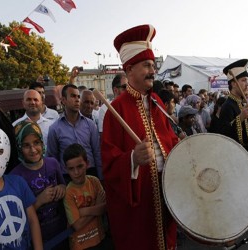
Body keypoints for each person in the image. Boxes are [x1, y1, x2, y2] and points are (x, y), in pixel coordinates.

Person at [102, 24, 179, 250]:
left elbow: (169, 140)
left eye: (153, 65)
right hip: (138, 202)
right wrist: (133, 159)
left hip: (166, 191)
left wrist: (181, 148)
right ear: (129, 71)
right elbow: (109, 164)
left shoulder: (156, 101)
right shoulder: (115, 110)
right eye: (146, 65)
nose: (152, 70)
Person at [11, 121, 68, 248]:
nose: (33, 149)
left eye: (36, 143)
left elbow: (64, 185)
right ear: (18, 147)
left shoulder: (53, 163)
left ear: (42, 142)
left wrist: (61, 188)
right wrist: (38, 201)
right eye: (26, 145)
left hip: (62, 231)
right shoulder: (15, 176)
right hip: (38, 240)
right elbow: (16, 217)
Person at [47, 84, 102, 180]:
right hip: (68, 177)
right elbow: (52, 159)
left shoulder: (90, 125)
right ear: (63, 100)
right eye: (73, 96)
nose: (77, 100)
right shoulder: (54, 129)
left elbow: (97, 153)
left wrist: (101, 178)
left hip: (90, 173)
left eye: (78, 97)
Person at [63, 143, 109, 250]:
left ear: (87, 164)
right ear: (66, 169)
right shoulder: (68, 192)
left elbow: (105, 208)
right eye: (71, 168)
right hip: (80, 245)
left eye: (80, 166)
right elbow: (77, 225)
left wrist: (83, 211)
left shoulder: (94, 181)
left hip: (99, 238)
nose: (76, 172)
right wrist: (96, 206)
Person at [219, 59, 248, 150]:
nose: (247, 84)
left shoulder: (241, 103)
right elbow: (224, 135)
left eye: (247, 80)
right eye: (243, 80)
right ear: (234, 84)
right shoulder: (227, 106)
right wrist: (241, 117)